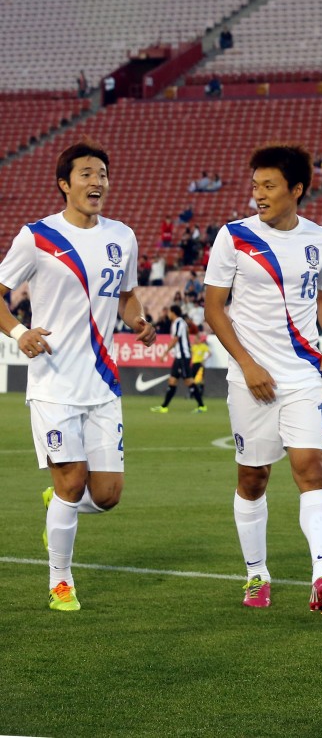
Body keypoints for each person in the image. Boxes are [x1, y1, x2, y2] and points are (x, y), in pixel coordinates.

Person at [0, 140, 155, 611]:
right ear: (65, 184)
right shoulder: (38, 236)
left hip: (104, 383)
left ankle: (59, 507)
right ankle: (60, 581)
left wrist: (139, 321)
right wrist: (20, 332)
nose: (98, 181)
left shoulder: (122, 236)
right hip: (53, 381)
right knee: (72, 481)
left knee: (106, 495)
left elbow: (126, 295)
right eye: (87, 173)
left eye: (103, 173)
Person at [203, 144, 322, 612]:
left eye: (268, 186)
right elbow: (213, 307)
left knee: (311, 468)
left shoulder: (321, 240)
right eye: (255, 185)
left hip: (303, 375)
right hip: (251, 380)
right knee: (253, 478)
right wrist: (247, 364)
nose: (258, 194)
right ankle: (255, 574)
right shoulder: (234, 237)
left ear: (297, 189)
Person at [151, 304, 205, 413]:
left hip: (183, 356)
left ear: (172, 312)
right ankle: (164, 407)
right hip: (179, 357)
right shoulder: (178, 323)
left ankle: (201, 406)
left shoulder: (179, 323)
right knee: (172, 380)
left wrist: (165, 353)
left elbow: (176, 339)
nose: (168, 314)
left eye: (170, 312)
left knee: (189, 381)